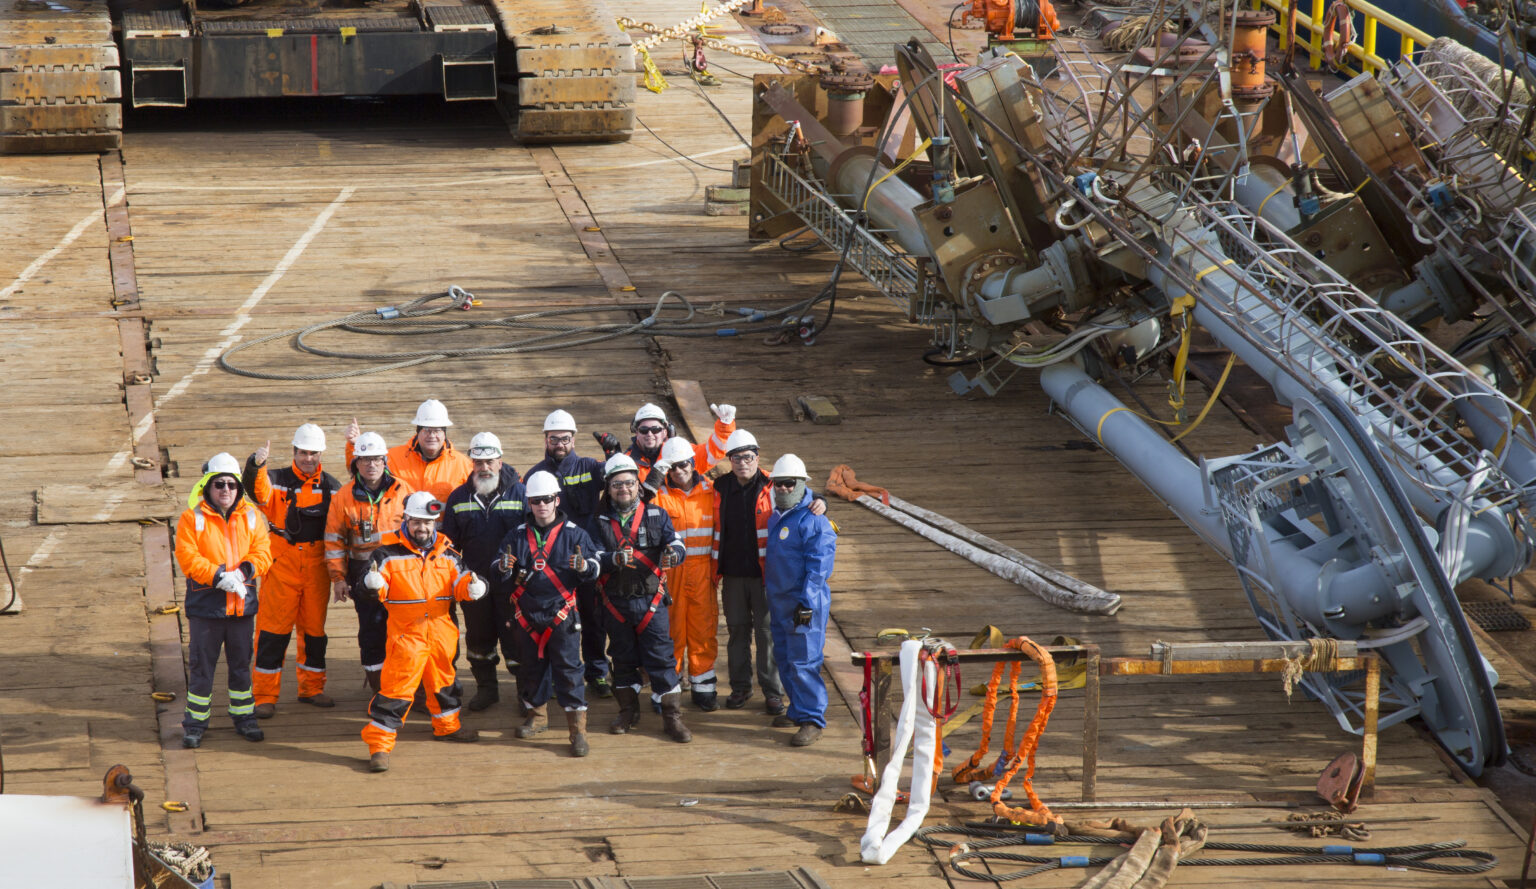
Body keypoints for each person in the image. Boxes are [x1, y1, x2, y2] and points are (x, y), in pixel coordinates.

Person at [359, 492, 485, 772]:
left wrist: (476, 587)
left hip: (441, 635)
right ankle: (379, 745)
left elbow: (462, 582)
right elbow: (373, 591)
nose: (422, 528)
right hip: (406, 638)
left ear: (435, 524)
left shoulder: (449, 555)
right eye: (416, 521)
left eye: (428, 522)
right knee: (396, 692)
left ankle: (447, 727)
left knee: (444, 685)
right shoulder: (387, 554)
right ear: (405, 520)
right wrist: (372, 584)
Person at [711, 428, 826, 716]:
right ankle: (740, 687)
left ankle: (773, 692)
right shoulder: (719, 486)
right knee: (737, 631)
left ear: (757, 456)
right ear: (730, 460)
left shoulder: (773, 484)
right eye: (736, 458)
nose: (742, 463)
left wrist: (822, 499)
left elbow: (799, 491)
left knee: (767, 634)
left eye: (748, 457)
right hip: (733, 574)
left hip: (766, 576)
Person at [587, 454, 691, 742]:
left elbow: (676, 541)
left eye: (630, 483)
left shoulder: (657, 514)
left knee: (661, 658)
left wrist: (674, 553)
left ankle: (672, 718)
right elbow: (590, 555)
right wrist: (612, 558)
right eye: (618, 484)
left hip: (650, 602)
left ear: (638, 485)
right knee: (622, 658)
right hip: (615, 603)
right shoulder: (597, 522)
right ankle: (627, 712)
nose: (624, 489)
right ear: (608, 488)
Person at [498, 470, 602, 757]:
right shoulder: (516, 536)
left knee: (569, 670)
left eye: (546, 499)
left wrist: (584, 567)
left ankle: (577, 730)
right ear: (528, 503)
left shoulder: (575, 534)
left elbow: (595, 566)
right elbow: (499, 566)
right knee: (531, 668)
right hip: (527, 613)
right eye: (535, 500)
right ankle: (537, 716)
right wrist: (504, 567)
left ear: (557, 499)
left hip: (562, 613)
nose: (541, 505)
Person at [174, 453, 274, 748]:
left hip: (242, 608)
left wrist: (243, 572)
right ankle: (194, 723)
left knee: (242, 665)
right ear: (208, 486)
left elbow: (264, 552)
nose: (226, 490)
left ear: (239, 487)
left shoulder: (253, 516)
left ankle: (244, 717)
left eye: (232, 484)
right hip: (207, 608)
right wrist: (218, 576)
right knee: (202, 668)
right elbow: (188, 557)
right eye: (219, 484)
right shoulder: (192, 518)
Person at [244, 424, 343, 718]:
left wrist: (340, 573)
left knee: (314, 631)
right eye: (303, 452)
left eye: (313, 453)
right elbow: (256, 491)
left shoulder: (333, 486)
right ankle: (264, 694)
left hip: (318, 566)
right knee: (273, 632)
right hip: (281, 563)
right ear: (294, 452)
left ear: (321, 453)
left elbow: (340, 525)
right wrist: (255, 465)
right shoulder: (274, 479)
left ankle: (312, 688)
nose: (308, 458)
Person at [523, 409, 614, 698]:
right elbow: (526, 519)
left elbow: (621, 477)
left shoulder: (590, 467)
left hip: (584, 554)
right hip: (548, 562)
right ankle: (549, 676)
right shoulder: (535, 474)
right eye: (553, 439)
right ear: (545, 440)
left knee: (592, 617)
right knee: (549, 620)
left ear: (573, 439)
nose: (559, 443)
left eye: (564, 438)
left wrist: (614, 452)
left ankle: (597, 672)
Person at [440, 431, 525, 712]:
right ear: (471, 464)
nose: (484, 467)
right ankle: (487, 689)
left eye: (490, 461)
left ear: (501, 461)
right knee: (478, 639)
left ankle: (528, 692)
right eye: (478, 462)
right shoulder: (458, 498)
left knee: (517, 640)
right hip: (475, 584)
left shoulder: (522, 494)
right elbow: (448, 545)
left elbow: (536, 538)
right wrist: (461, 575)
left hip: (514, 584)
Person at [324, 431, 413, 690]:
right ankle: (380, 689)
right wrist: (338, 578)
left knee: (403, 632)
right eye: (364, 460)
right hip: (363, 577)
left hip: (401, 576)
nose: (371, 465)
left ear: (385, 461)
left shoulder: (403, 490)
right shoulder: (343, 496)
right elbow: (333, 541)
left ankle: (406, 687)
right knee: (372, 632)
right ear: (356, 464)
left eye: (376, 459)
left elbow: (419, 532)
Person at [763, 454, 837, 747]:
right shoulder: (777, 515)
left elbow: (819, 565)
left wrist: (806, 603)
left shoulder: (813, 520)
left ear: (801, 484)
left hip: (803, 605)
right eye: (777, 484)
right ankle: (797, 709)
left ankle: (812, 719)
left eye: (788, 484)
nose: (781, 489)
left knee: (804, 661)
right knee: (784, 657)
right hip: (780, 601)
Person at [651, 436, 722, 710]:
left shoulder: (713, 491)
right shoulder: (658, 496)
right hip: (670, 573)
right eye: (671, 468)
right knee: (670, 632)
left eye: (682, 465)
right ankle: (667, 689)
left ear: (693, 464)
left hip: (702, 571)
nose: (677, 471)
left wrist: (815, 497)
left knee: (703, 630)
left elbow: (758, 479)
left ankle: (704, 688)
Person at [344, 399, 472, 503]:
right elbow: (361, 472)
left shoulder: (463, 465)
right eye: (426, 430)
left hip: (445, 533)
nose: (432, 435)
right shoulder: (393, 457)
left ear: (444, 433)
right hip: (402, 532)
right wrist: (354, 445)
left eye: (437, 430)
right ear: (418, 431)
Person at [620, 401, 736, 484]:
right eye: (644, 430)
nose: (650, 434)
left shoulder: (682, 451)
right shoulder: (626, 461)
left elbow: (713, 451)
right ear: (636, 433)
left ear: (665, 432)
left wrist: (725, 426)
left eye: (655, 429)